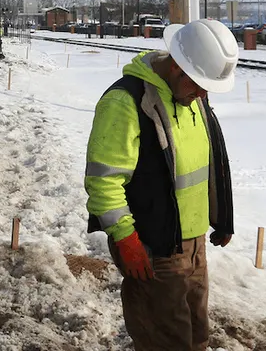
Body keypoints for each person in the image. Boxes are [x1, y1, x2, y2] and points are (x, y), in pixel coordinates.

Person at [85, 19, 238, 351]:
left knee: (196, 334)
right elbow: (103, 181)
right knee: (164, 340)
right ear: (179, 67)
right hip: (153, 247)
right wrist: (125, 238)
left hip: (193, 245)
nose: (203, 94)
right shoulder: (126, 102)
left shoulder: (192, 97)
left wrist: (220, 217)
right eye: (198, 85)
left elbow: (207, 164)